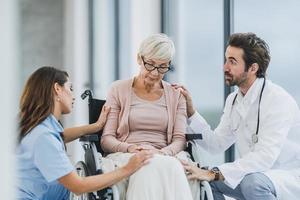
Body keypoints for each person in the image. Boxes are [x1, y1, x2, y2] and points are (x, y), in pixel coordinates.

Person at [174, 32, 300, 200]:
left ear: (253, 68)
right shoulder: (234, 100)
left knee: (252, 183)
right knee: (207, 183)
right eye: (226, 60)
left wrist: (214, 172)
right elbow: (216, 144)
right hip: (254, 174)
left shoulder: (277, 99)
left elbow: (265, 157)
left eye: (232, 62)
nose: (225, 67)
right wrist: (191, 112)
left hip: (287, 174)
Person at [16, 66, 152, 200]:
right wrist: (128, 168)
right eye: (70, 88)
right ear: (57, 89)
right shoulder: (44, 137)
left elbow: (61, 136)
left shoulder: (40, 127)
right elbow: (78, 186)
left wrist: (95, 126)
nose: (74, 96)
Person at [100, 33, 197, 200]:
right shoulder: (118, 89)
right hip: (127, 155)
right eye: (150, 65)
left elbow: (180, 139)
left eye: (162, 67)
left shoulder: (177, 95)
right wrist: (131, 148)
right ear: (139, 58)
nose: (154, 73)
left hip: (167, 154)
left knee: (155, 163)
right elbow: (106, 140)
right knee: (147, 163)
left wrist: (162, 152)